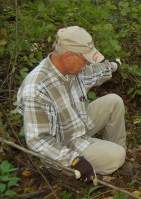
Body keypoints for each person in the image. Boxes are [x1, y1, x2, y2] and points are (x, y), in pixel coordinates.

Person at [17, 26, 128, 183]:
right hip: (63, 147)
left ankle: (110, 152)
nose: (87, 64)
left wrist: (115, 65)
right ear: (68, 55)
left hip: (77, 126)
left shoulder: (73, 70)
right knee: (118, 156)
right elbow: (38, 140)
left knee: (114, 101)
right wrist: (73, 160)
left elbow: (96, 72)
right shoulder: (37, 88)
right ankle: (70, 172)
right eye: (85, 59)